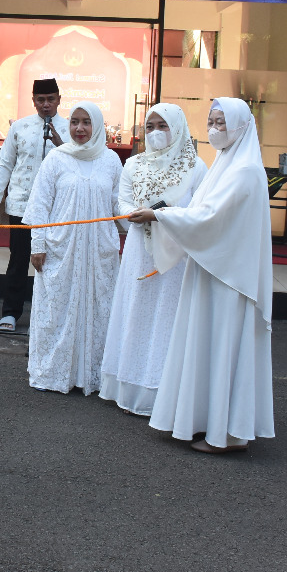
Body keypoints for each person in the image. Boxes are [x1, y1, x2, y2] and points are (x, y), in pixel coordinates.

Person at [131, 97, 274, 454]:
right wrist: (166, 214)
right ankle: (208, 423)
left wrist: (159, 216)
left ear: (241, 125)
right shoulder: (226, 162)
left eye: (221, 122)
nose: (214, 128)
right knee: (209, 347)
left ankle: (226, 434)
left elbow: (208, 218)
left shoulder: (245, 171)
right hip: (213, 269)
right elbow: (198, 211)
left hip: (228, 278)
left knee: (222, 345)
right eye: (211, 120)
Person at [99, 103, 207, 415]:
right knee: (136, 310)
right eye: (150, 127)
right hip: (139, 250)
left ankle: (165, 391)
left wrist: (162, 216)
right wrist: (130, 215)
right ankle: (132, 384)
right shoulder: (133, 165)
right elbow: (122, 200)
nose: (156, 133)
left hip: (177, 255)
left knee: (168, 316)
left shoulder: (196, 167)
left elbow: (202, 212)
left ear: (178, 128)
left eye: (163, 126)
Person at [21, 100, 122, 394]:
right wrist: (37, 244)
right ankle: (54, 373)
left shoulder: (111, 161)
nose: (79, 128)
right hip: (59, 251)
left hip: (98, 253)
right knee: (57, 310)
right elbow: (39, 203)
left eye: (86, 122)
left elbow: (119, 206)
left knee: (98, 310)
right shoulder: (57, 159)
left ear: (98, 125)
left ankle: (91, 376)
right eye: (75, 121)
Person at [0, 78, 69, 333]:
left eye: (50, 99)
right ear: (33, 101)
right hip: (22, 206)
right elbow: (5, 163)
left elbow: (80, 163)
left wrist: (61, 145)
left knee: (54, 262)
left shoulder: (70, 128)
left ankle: (51, 318)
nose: (45, 105)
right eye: (40, 100)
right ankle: (10, 313)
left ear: (59, 100)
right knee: (18, 260)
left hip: (57, 209)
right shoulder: (19, 127)